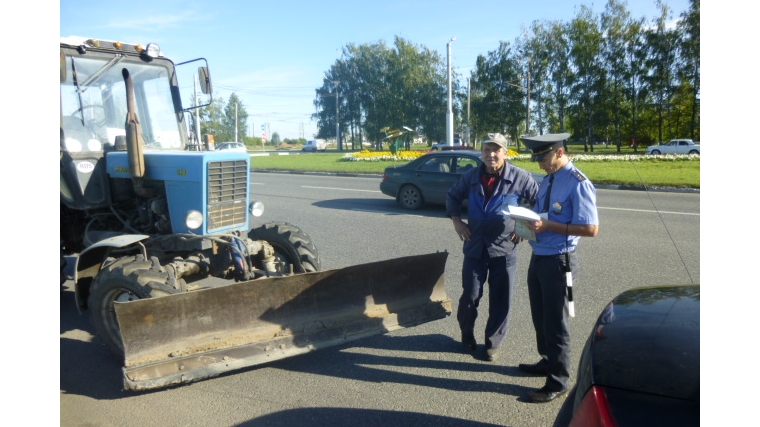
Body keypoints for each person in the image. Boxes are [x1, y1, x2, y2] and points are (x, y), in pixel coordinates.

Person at [518, 133, 599, 403]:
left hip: (560, 260)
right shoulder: (550, 178)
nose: (540, 164)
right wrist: (524, 225)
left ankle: (558, 380)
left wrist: (548, 226)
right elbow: (544, 212)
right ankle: (547, 360)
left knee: (556, 322)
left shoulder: (579, 183)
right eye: (538, 159)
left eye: (544, 158)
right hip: (539, 255)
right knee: (540, 316)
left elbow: (591, 228)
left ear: (560, 153)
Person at [446, 133, 539, 362]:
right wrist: (457, 222)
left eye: (496, 150)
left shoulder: (520, 177)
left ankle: (492, 343)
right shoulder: (470, 177)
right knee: (470, 295)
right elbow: (452, 196)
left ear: (505, 152)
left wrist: (526, 230)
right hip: (475, 246)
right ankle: (467, 334)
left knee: (501, 299)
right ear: (482, 153)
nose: (491, 155)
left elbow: (539, 203)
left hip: (506, 248)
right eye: (487, 150)